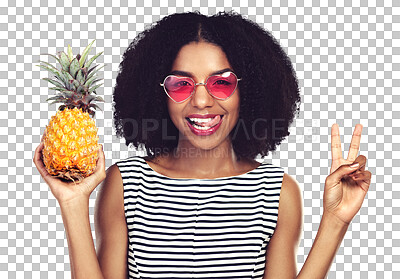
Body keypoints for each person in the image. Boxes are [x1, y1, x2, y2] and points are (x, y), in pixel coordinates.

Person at [33, 11, 371, 279]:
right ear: (160, 96)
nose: (200, 101)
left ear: (247, 92)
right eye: (181, 85)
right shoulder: (128, 184)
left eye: (220, 83)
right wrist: (73, 203)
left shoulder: (275, 191)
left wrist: (335, 220)